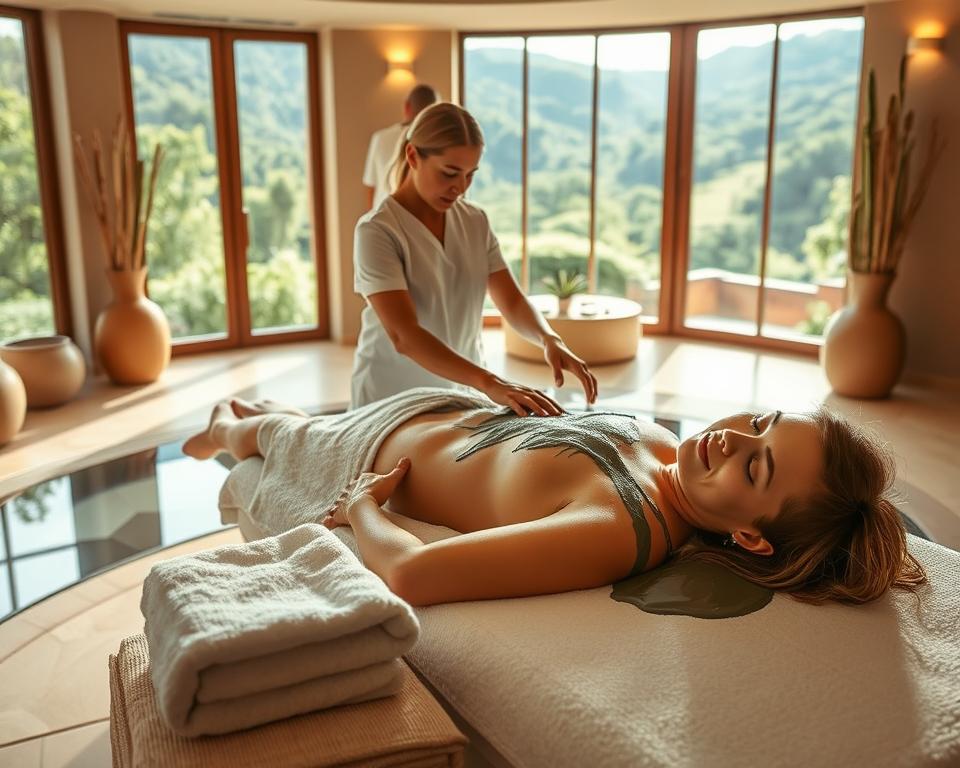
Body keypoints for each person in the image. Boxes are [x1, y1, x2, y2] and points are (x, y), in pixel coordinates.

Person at [183, 391, 927, 608]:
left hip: (367, 455)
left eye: (756, 468)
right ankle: (263, 415)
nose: (731, 440)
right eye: (760, 421)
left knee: (269, 434)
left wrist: (365, 508)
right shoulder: (665, 444)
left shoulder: (620, 526)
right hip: (440, 404)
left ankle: (228, 423)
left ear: (754, 539)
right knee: (296, 419)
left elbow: (414, 575)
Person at [352, 101, 598, 413]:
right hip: (392, 398)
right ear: (413, 156)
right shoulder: (377, 230)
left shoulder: (475, 220)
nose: (460, 187)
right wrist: (491, 382)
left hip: (462, 393)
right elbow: (404, 336)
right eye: (449, 173)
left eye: (470, 175)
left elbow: (510, 300)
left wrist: (549, 338)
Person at [363, 84, 439, 210]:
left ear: (407, 107)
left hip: (382, 212)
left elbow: (370, 186)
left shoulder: (380, 138)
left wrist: (372, 216)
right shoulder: (436, 141)